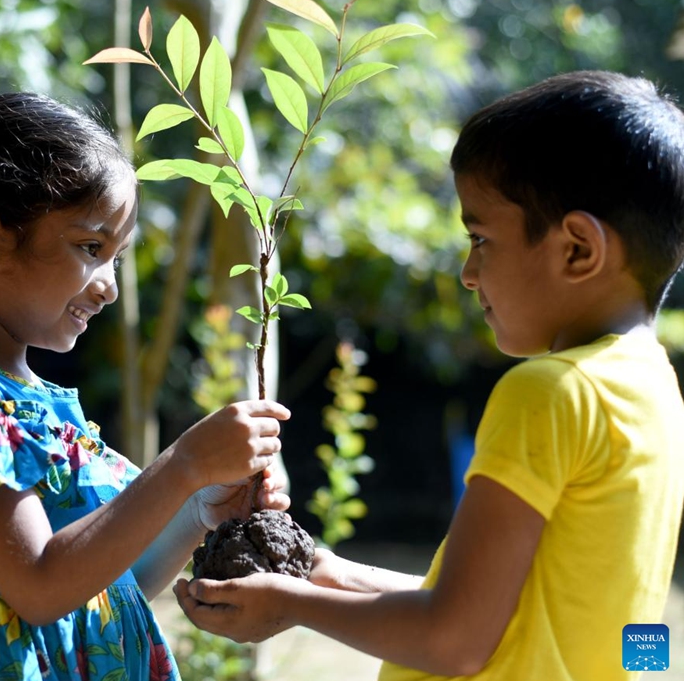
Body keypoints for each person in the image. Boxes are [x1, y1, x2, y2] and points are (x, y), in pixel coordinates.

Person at [174, 70, 684, 679]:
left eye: (481, 238)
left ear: (577, 248)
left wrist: (291, 605)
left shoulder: (550, 391)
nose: (469, 273)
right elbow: (502, 610)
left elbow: (454, 641)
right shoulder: (655, 391)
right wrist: (325, 573)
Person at [0, 92, 291, 680]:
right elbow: (43, 587)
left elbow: (109, 582)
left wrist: (201, 505)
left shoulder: (43, 404)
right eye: (91, 248)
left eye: (117, 258)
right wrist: (180, 464)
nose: (110, 287)